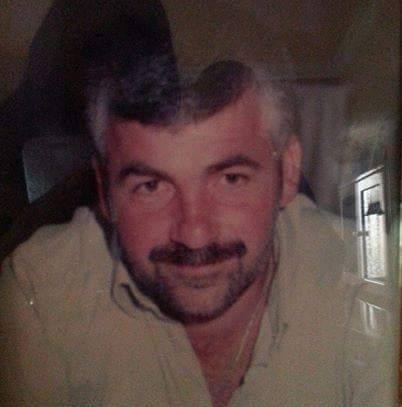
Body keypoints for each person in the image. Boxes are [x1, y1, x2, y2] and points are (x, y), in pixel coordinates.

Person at [0, 11, 392, 407]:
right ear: (104, 191)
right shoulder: (44, 292)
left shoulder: (370, 281)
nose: (194, 235)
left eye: (231, 179)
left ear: (288, 171)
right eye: (151, 186)